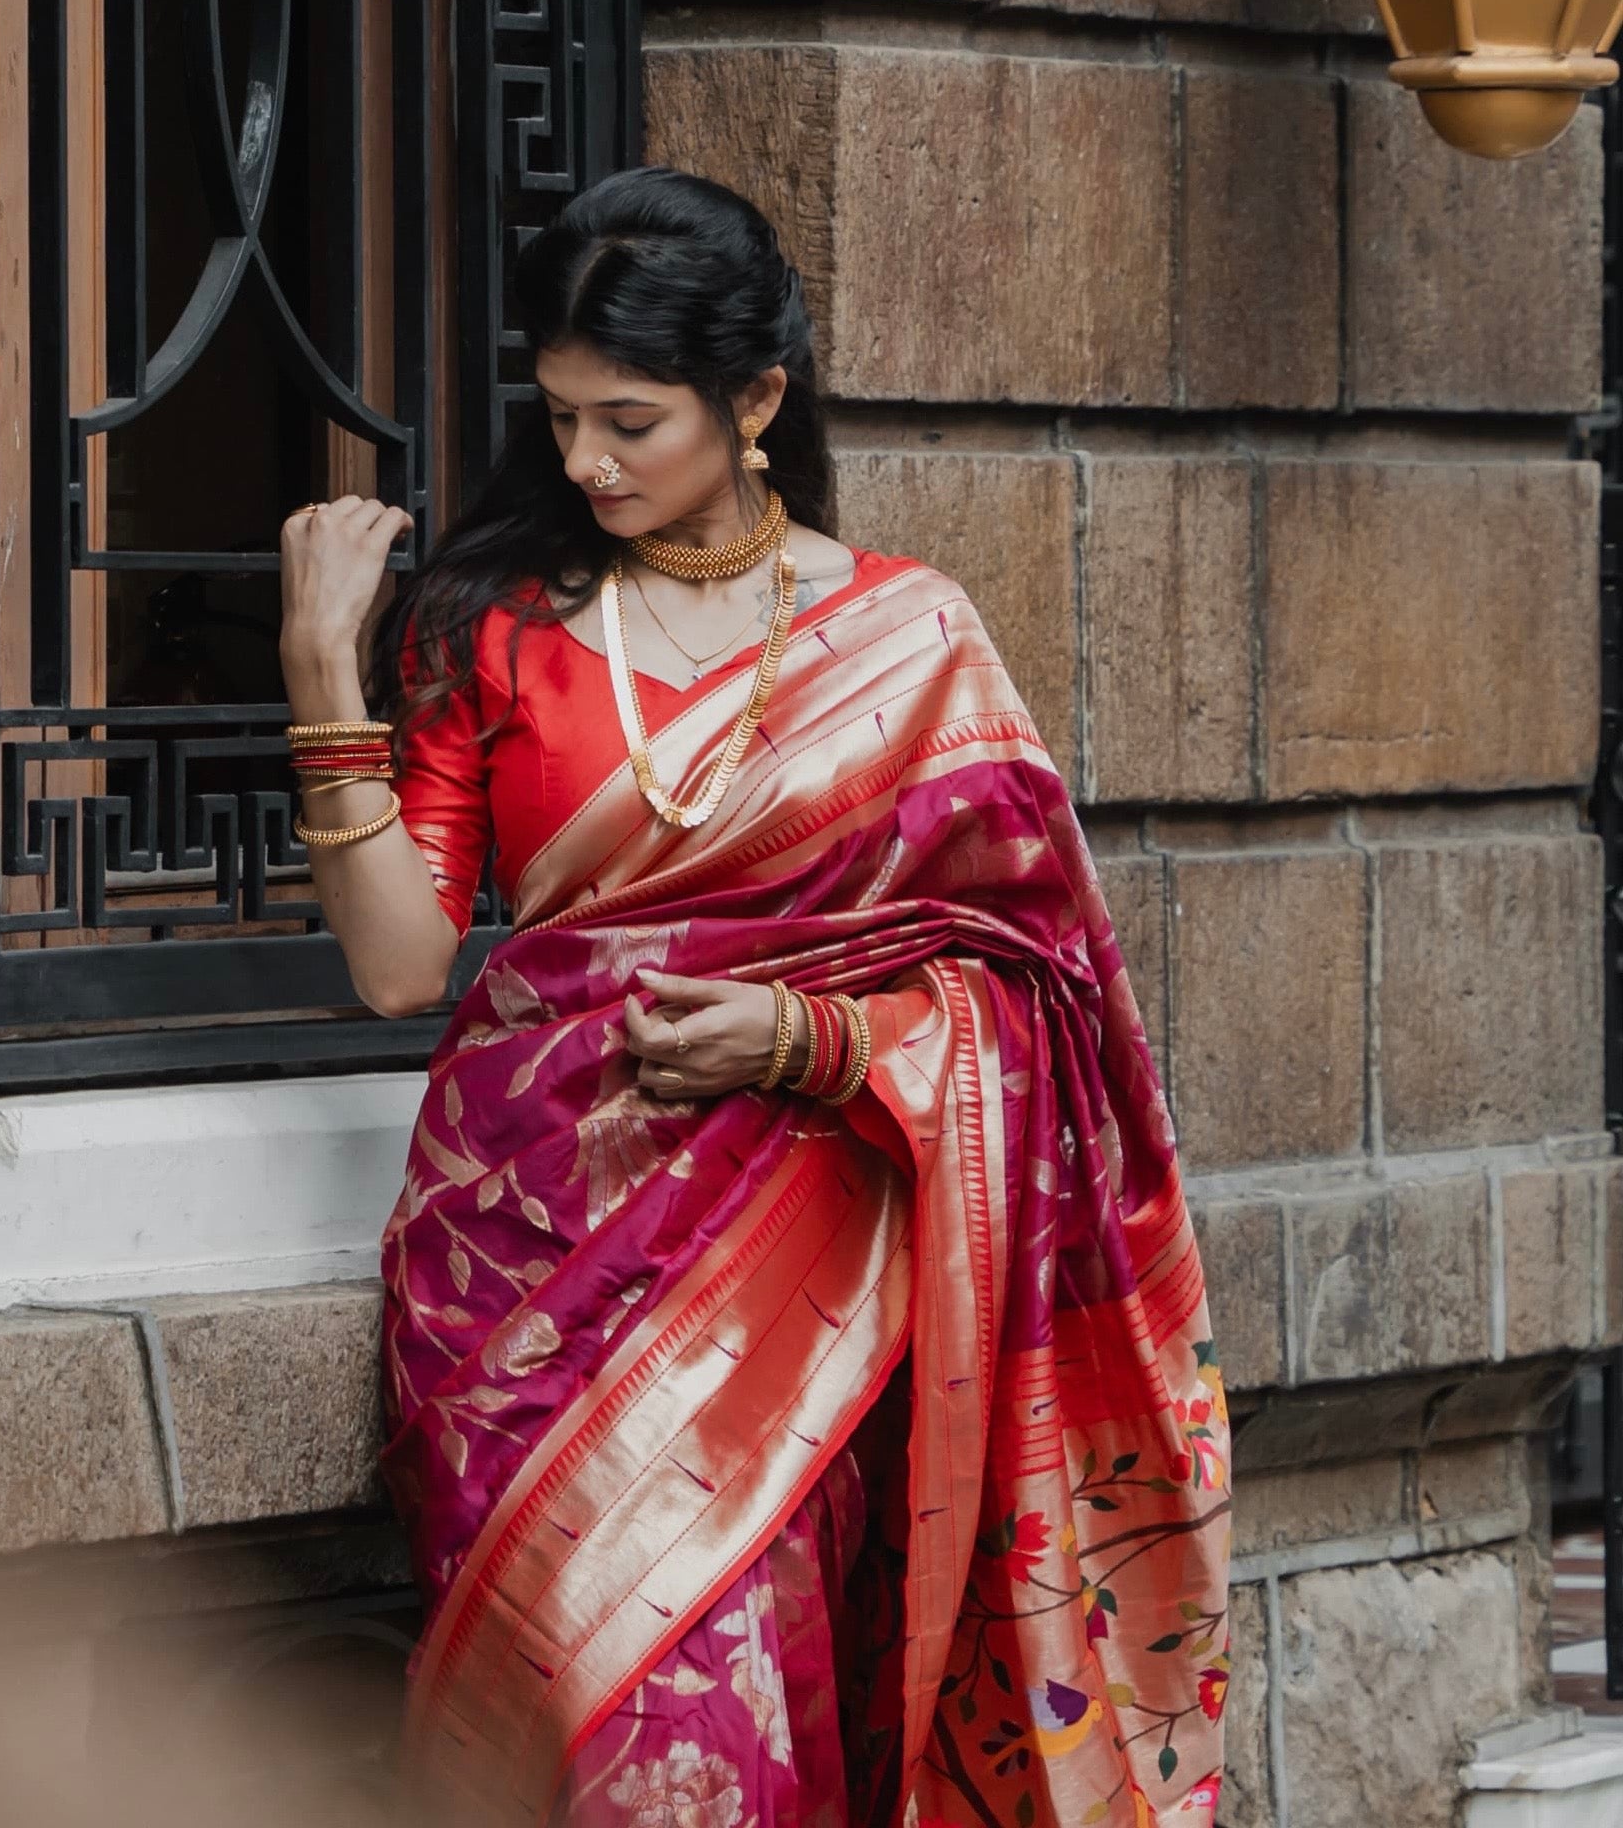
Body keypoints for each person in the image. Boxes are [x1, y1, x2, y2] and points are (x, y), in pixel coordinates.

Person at [277, 168, 1230, 1828]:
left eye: (629, 422)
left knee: (747, 1739)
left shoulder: (912, 642)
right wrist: (317, 671)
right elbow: (400, 968)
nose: (583, 462)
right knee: (591, 1736)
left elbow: (1048, 1002)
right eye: (562, 416)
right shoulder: (487, 629)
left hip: (806, 1276)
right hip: (527, 1277)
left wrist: (808, 1041)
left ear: (759, 398)